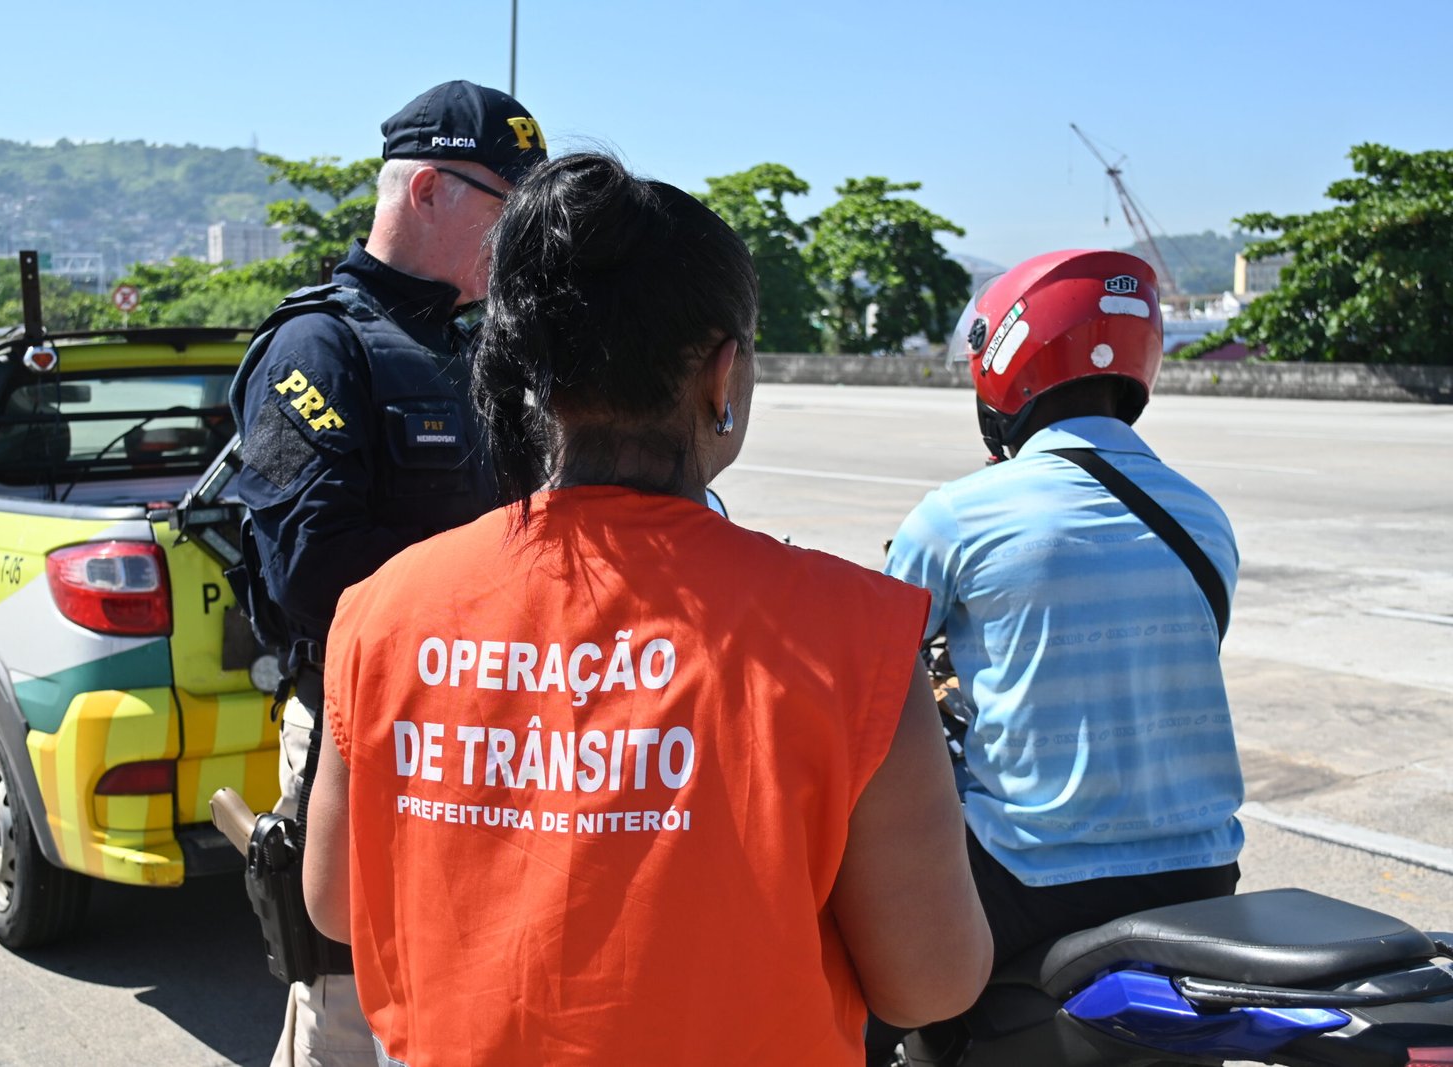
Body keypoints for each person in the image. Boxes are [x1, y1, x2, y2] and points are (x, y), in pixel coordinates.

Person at [302, 153, 993, 1066]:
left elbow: (336, 904)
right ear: (721, 374)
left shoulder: (385, 610)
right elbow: (930, 981)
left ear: (521, 368)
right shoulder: (853, 636)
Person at [230, 80, 547, 1067]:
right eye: (510, 206)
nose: (523, 237)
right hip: (360, 737)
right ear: (427, 192)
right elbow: (314, 570)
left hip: (488, 736)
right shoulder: (315, 346)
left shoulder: (479, 352)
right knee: (351, 1010)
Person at [868, 249, 1244, 1061]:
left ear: (1007, 363)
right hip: (1207, 875)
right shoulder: (1206, 517)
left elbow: (868, 671)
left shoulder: (960, 514)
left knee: (844, 977)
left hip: (1031, 878)